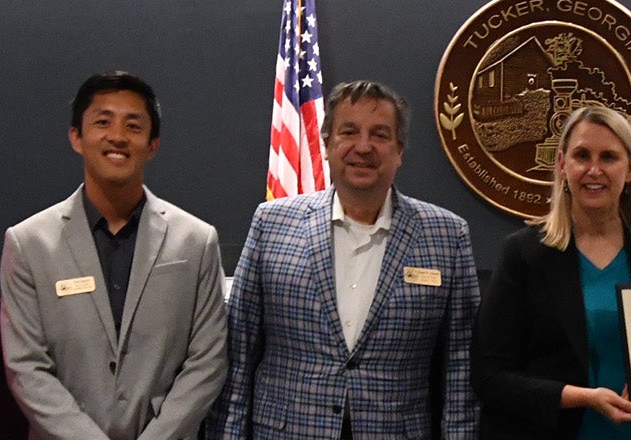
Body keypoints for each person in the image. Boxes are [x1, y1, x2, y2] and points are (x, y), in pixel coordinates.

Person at [205, 80, 480, 439]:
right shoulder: (271, 224)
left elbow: (461, 368)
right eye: (348, 131)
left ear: (399, 150)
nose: (363, 147)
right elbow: (238, 353)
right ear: (327, 143)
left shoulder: (447, 236)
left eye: (380, 135)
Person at [0, 71, 227, 440]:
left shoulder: (195, 242)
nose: (118, 137)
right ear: (76, 137)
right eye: (102, 122)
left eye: (133, 125)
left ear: (152, 144)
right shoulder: (29, 244)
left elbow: (207, 362)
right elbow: (26, 367)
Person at [473, 105, 631, 440]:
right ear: (563, 165)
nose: (594, 170)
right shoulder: (523, 254)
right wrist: (582, 397)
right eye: (582, 156)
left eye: (608, 157)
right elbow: (489, 378)